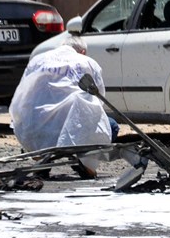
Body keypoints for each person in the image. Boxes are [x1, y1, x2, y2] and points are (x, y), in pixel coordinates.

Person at [9, 35, 119, 179]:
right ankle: (82, 160)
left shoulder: (37, 61)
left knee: (47, 127)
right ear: (83, 52)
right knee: (112, 126)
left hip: (34, 128)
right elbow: (98, 100)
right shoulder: (88, 63)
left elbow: (22, 95)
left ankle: (43, 159)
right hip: (72, 133)